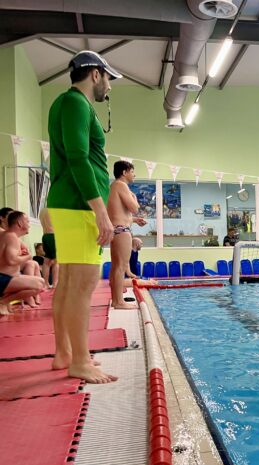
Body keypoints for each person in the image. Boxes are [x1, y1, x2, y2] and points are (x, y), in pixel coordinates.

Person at [47, 50, 122, 384]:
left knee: (67, 282)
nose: (109, 86)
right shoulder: (77, 104)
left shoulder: (64, 103)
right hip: (79, 206)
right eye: (108, 78)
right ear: (95, 74)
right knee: (82, 285)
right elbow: (78, 158)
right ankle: (79, 360)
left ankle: (64, 352)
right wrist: (101, 212)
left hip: (69, 204)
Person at [107, 160, 143, 310]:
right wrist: (134, 198)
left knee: (116, 266)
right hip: (122, 231)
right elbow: (134, 208)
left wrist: (134, 220)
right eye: (132, 171)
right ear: (124, 172)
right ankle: (119, 302)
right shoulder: (121, 185)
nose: (134, 175)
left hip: (117, 229)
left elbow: (118, 212)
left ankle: (116, 300)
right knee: (121, 267)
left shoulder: (114, 186)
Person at [0, 211, 46, 314]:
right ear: (20, 223)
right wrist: (28, 257)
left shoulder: (7, 235)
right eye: (28, 221)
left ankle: (5, 302)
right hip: (3, 279)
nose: (29, 225)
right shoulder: (12, 236)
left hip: (7, 278)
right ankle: (3, 302)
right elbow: (11, 260)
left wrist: (21, 254)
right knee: (38, 285)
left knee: (40, 282)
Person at [39, 207, 59, 288]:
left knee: (46, 261)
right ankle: (55, 283)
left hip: (45, 236)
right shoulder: (55, 210)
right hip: (53, 236)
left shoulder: (42, 211)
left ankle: (46, 283)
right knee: (56, 262)